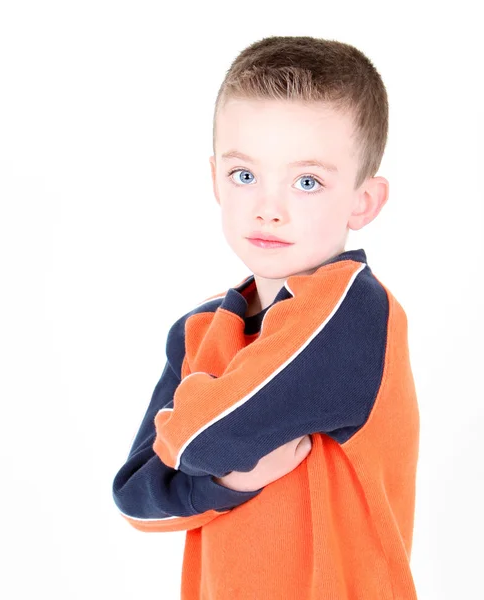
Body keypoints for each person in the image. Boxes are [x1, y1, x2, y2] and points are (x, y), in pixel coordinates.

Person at [112, 35, 420, 599]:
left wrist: (194, 444)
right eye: (244, 175)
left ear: (363, 201)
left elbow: (201, 439)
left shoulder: (352, 308)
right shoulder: (199, 330)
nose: (268, 208)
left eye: (307, 182)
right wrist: (230, 479)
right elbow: (136, 500)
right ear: (215, 181)